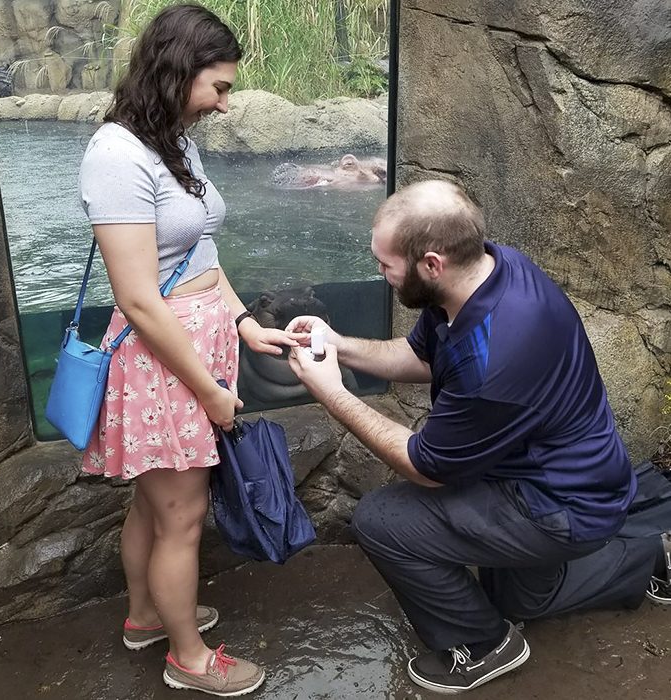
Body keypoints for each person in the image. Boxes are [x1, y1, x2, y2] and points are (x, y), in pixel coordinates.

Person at [286, 179, 671, 694]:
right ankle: (653, 554)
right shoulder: (490, 267)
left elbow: (424, 468)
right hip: (550, 476)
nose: (380, 274)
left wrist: (331, 394)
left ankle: (485, 646)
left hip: (559, 503)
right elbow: (419, 355)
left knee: (381, 519)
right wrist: (338, 345)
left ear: (431, 264)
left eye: (385, 264)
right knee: (520, 601)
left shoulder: (498, 356)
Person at [78, 5, 301, 695]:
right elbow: (140, 298)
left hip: (199, 345)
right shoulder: (116, 154)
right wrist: (207, 387)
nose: (226, 105)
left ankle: (147, 615)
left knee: (154, 507)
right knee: (181, 515)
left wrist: (241, 323)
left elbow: (201, 246)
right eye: (220, 87)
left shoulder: (173, 137)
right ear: (178, 72)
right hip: (162, 360)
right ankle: (188, 658)